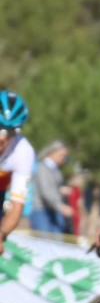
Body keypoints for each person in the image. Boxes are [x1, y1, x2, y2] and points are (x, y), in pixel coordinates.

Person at [0, 91, 35, 257]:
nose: (2, 137)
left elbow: (16, 206)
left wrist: (1, 235)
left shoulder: (23, 151)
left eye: (10, 131)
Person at [30, 140, 74, 235]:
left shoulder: (55, 169)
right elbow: (46, 191)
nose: (63, 159)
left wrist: (61, 190)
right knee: (43, 244)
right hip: (41, 210)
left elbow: (52, 188)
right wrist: (61, 206)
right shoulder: (42, 168)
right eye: (62, 155)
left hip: (54, 210)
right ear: (52, 152)